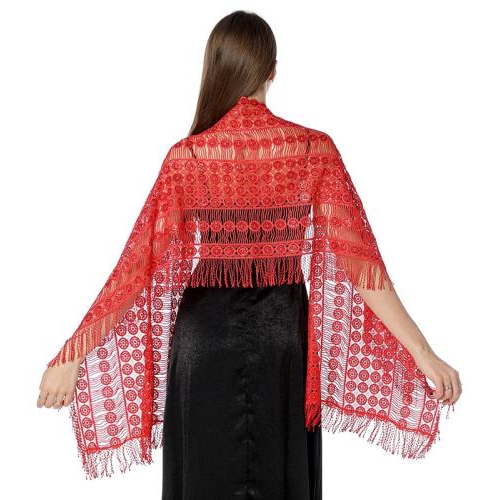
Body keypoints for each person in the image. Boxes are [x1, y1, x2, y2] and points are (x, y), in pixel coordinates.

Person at [37, 9, 461, 500]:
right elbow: (362, 266)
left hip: (203, 341)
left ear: (215, 69)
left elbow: (137, 267)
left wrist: (73, 354)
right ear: (273, 70)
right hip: (283, 338)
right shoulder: (313, 149)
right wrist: (424, 354)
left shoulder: (188, 157)